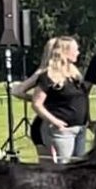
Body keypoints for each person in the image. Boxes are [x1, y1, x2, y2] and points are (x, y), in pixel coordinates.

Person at [28, 36, 88, 164]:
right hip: (62, 131)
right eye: (75, 50)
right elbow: (37, 104)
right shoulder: (49, 76)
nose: (78, 53)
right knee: (63, 168)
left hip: (80, 128)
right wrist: (55, 122)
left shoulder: (75, 75)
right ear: (65, 52)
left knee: (79, 166)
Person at [12, 46, 52, 163]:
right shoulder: (44, 72)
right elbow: (17, 91)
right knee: (47, 165)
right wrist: (38, 100)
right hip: (43, 123)